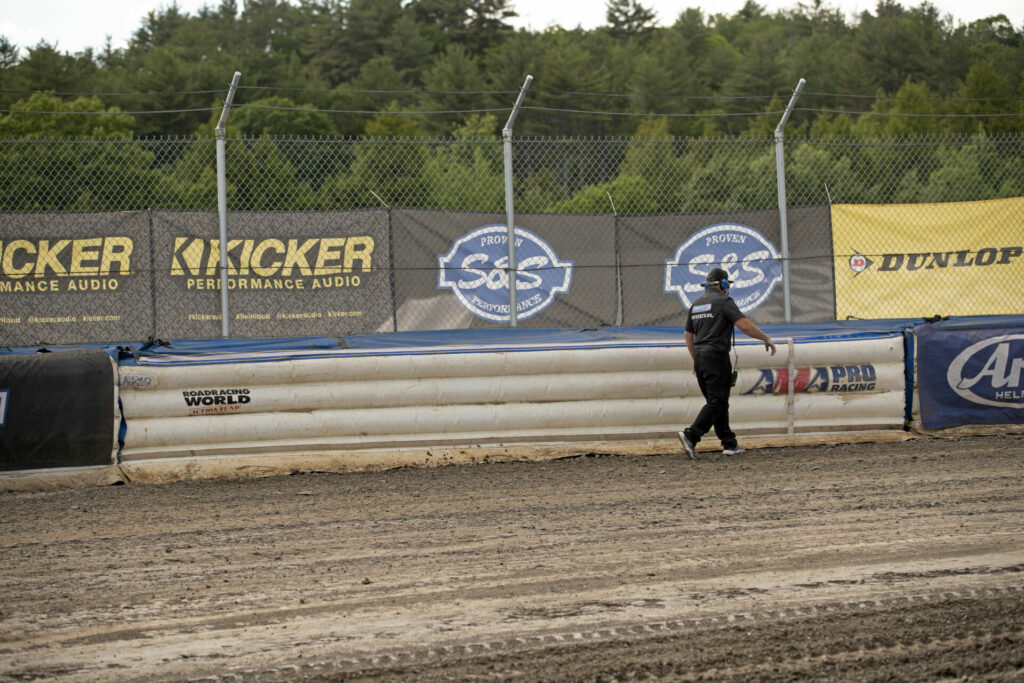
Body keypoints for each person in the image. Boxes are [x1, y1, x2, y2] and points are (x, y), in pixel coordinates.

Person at [679, 267, 776, 460]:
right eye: (726, 284)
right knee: (717, 402)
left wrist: (695, 358)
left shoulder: (696, 304)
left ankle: (729, 443)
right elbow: (744, 325)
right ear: (723, 284)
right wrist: (765, 338)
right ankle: (691, 435)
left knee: (717, 402)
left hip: (699, 357)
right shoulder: (724, 302)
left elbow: (688, 335)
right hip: (716, 357)